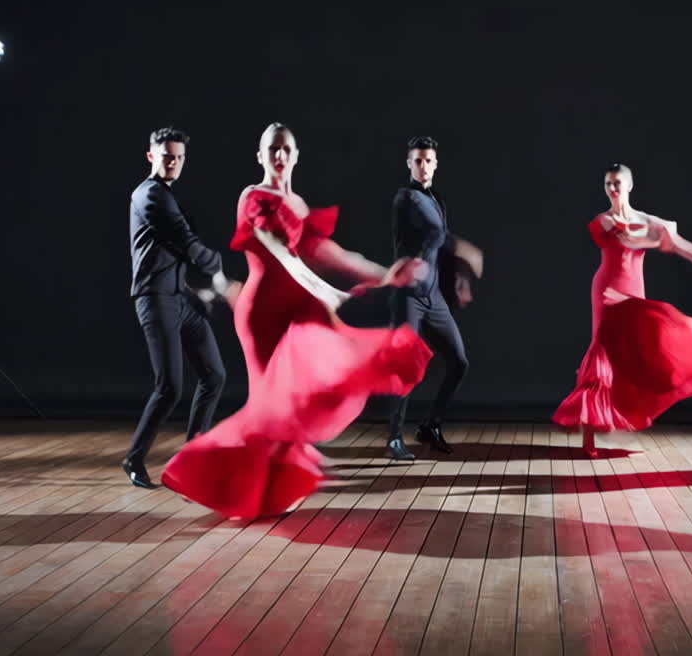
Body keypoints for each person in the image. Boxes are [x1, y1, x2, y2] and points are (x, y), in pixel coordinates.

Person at [160, 123, 432, 519]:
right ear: (260, 155)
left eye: (285, 149)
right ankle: (204, 474)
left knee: (308, 391)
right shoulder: (253, 197)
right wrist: (329, 292)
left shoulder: (299, 205)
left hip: (301, 309)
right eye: (272, 149)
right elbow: (283, 256)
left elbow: (331, 253)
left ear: (296, 155)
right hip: (263, 312)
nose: (279, 157)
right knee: (268, 406)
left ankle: (272, 486)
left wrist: (386, 274)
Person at [553, 163, 692, 456]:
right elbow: (626, 238)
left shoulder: (648, 221)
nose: (612, 189)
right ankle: (589, 435)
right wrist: (657, 238)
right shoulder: (603, 220)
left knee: (641, 349)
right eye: (608, 184)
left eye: (617, 183)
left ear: (629, 185)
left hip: (633, 289)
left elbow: (688, 249)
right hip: (606, 292)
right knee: (602, 353)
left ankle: (620, 417)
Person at [125, 127, 240, 489]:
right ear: (151, 157)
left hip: (177, 298)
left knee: (214, 375)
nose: (173, 162)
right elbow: (187, 244)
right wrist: (219, 271)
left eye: (178, 157)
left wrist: (198, 291)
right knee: (170, 387)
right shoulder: (150, 195)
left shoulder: (166, 194)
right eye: (166, 156)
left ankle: (193, 453)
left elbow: (170, 252)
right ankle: (133, 458)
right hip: (154, 300)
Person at [382, 136, 483, 460]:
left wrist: (459, 282)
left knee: (458, 361)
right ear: (409, 164)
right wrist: (463, 248)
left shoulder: (435, 198)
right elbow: (435, 234)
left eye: (428, 161)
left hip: (433, 295)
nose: (423, 166)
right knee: (405, 365)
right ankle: (395, 438)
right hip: (408, 296)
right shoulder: (406, 198)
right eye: (418, 161)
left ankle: (430, 425)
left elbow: (439, 248)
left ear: (435, 164)